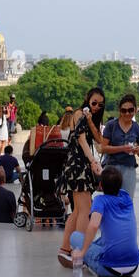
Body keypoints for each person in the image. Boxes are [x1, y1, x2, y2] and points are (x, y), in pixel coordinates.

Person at [57, 88, 106, 266]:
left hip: (77, 164)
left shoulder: (87, 117)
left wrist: (92, 121)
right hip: (79, 165)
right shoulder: (78, 113)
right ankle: (78, 252)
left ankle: (65, 249)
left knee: (78, 210)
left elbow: (100, 140)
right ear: (87, 99)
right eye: (94, 103)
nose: (96, 107)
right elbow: (81, 139)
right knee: (85, 210)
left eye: (100, 105)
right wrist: (93, 161)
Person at [74, 165, 139, 277]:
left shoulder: (100, 200)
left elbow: (94, 225)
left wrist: (82, 252)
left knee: (75, 237)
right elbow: (113, 184)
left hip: (109, 269)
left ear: (101, 185)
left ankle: (85, 257)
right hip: (133, 267)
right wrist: (107, 177)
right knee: (104, 239)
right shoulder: (126, 197)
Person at [100, 95, 139, 202]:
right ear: (120, 111)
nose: (127, 113)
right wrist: (122, 148)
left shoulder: (137, 127)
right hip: (112, 168)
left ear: (135, 110)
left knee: (127, 201)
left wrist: (138, 150)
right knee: (111, 200)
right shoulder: (111, 125)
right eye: (124, 110)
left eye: (130, 110)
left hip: (129, 168)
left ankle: (124, 219)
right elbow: (103, 148)